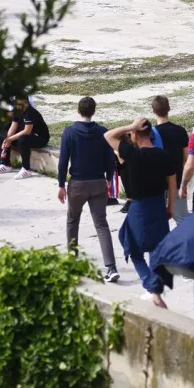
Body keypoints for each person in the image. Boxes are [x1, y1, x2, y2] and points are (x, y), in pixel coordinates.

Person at [105, 117, 176, 301]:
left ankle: (152, 286)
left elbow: (108, 136)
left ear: (135, 135)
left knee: (131, 246)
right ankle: (155, 286)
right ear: (151, 135)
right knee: (154, 246)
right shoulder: (164, 155)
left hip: (140, 206)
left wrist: (130, 126)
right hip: (159, 203)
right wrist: (171, 207)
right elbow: (172, 185)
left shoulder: (133, 155)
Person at [57, 97, 119, 282]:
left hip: (77, 184)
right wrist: (109, 179)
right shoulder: (102, 132)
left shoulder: (69, 132)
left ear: (78, 110)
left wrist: (61, 184)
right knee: (101, 224)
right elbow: (110, 159)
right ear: (94, 111)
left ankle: (72, 261)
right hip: (98, 182)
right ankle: (111, 267)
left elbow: (62, 162)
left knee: (72, 221)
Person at [151, 95, 189, 222]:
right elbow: (185, 159)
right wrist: (185, 181)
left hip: (158, 182)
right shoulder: (180, 131)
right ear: (169, 109)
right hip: (177, 179)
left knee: (159, 220)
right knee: (182, 219)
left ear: (153, 111)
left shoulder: (151, 133)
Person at [0, 95, 50, 178]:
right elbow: (13, 126)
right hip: (28, 136)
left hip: (40, 138)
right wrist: (7, 139)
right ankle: (5, 164)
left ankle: (26, 169)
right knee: (3, 136)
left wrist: (11, 139)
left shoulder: (30, 112)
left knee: (22, 140)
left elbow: (27, 131)